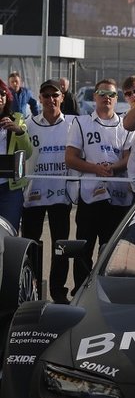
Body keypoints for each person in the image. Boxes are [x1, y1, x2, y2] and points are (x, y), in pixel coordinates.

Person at [65, 79, 134, 294]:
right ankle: (80, 291)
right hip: (90, 197)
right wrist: (95, 168)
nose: (107, 97)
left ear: (116, 98)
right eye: (102, 93)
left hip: (118, 198)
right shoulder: (81, 123)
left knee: (111, 251)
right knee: (84, 248)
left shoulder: (126, 125)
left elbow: (128, 158)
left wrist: (112, 167)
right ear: (95, 96)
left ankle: (108, 293)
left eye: (112, 94)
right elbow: (70, 158)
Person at [22, 79, 76, 304]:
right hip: (33, 195)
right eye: (46, 96)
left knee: (60, 246)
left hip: (60, 194)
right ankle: (30, 287)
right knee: (30, 245)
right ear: (40, 98)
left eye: (55, 95)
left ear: (62, 97)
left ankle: (58, 290)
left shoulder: (73, 124)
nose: (50, 100)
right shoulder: (28, 124)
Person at [0, 78, 33, 230]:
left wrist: (19, 131)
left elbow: (28, 152)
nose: (0, 97)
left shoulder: (17, 119)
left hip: (10, 188)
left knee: (9, 231)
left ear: (7, 97)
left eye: (2, 94)